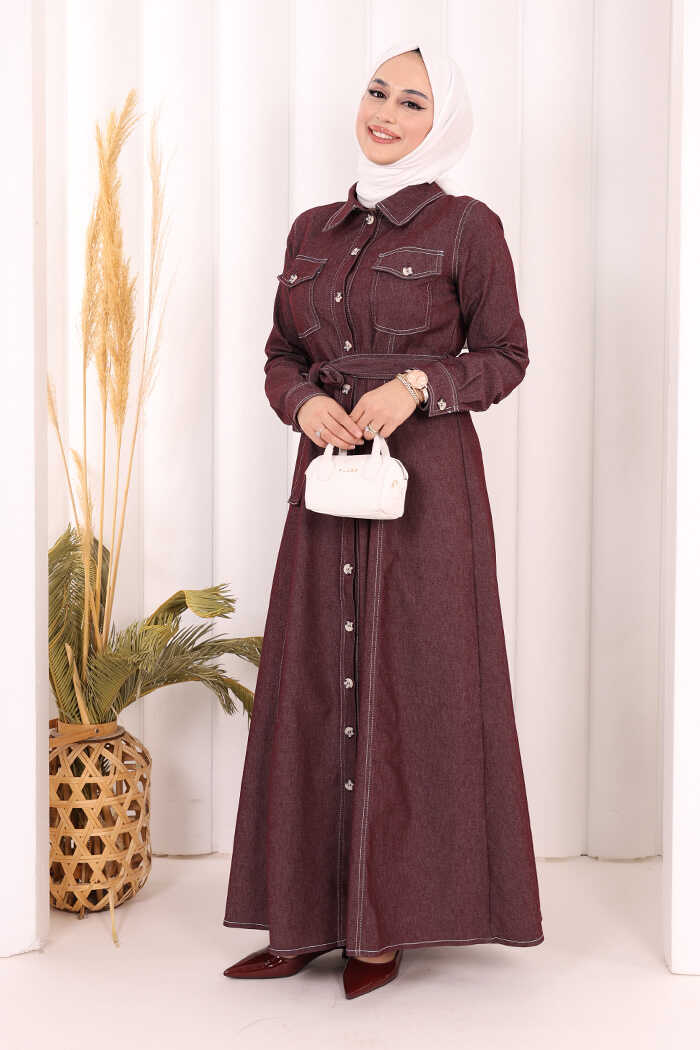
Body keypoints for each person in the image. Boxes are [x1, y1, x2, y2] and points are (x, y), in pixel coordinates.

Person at [222, 38, 544, 1001]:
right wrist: (300, 404)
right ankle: (301, 919)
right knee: (313, 681)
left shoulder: (467, 227)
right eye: (377, 92)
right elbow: (281, 353)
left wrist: (418, 385)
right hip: (327, 484)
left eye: (412, 101)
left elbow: (506, 354)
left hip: (426, 491)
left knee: (417, 687)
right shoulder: (311, 231)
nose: (386, 113)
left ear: (443, 123)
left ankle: (383, 921)